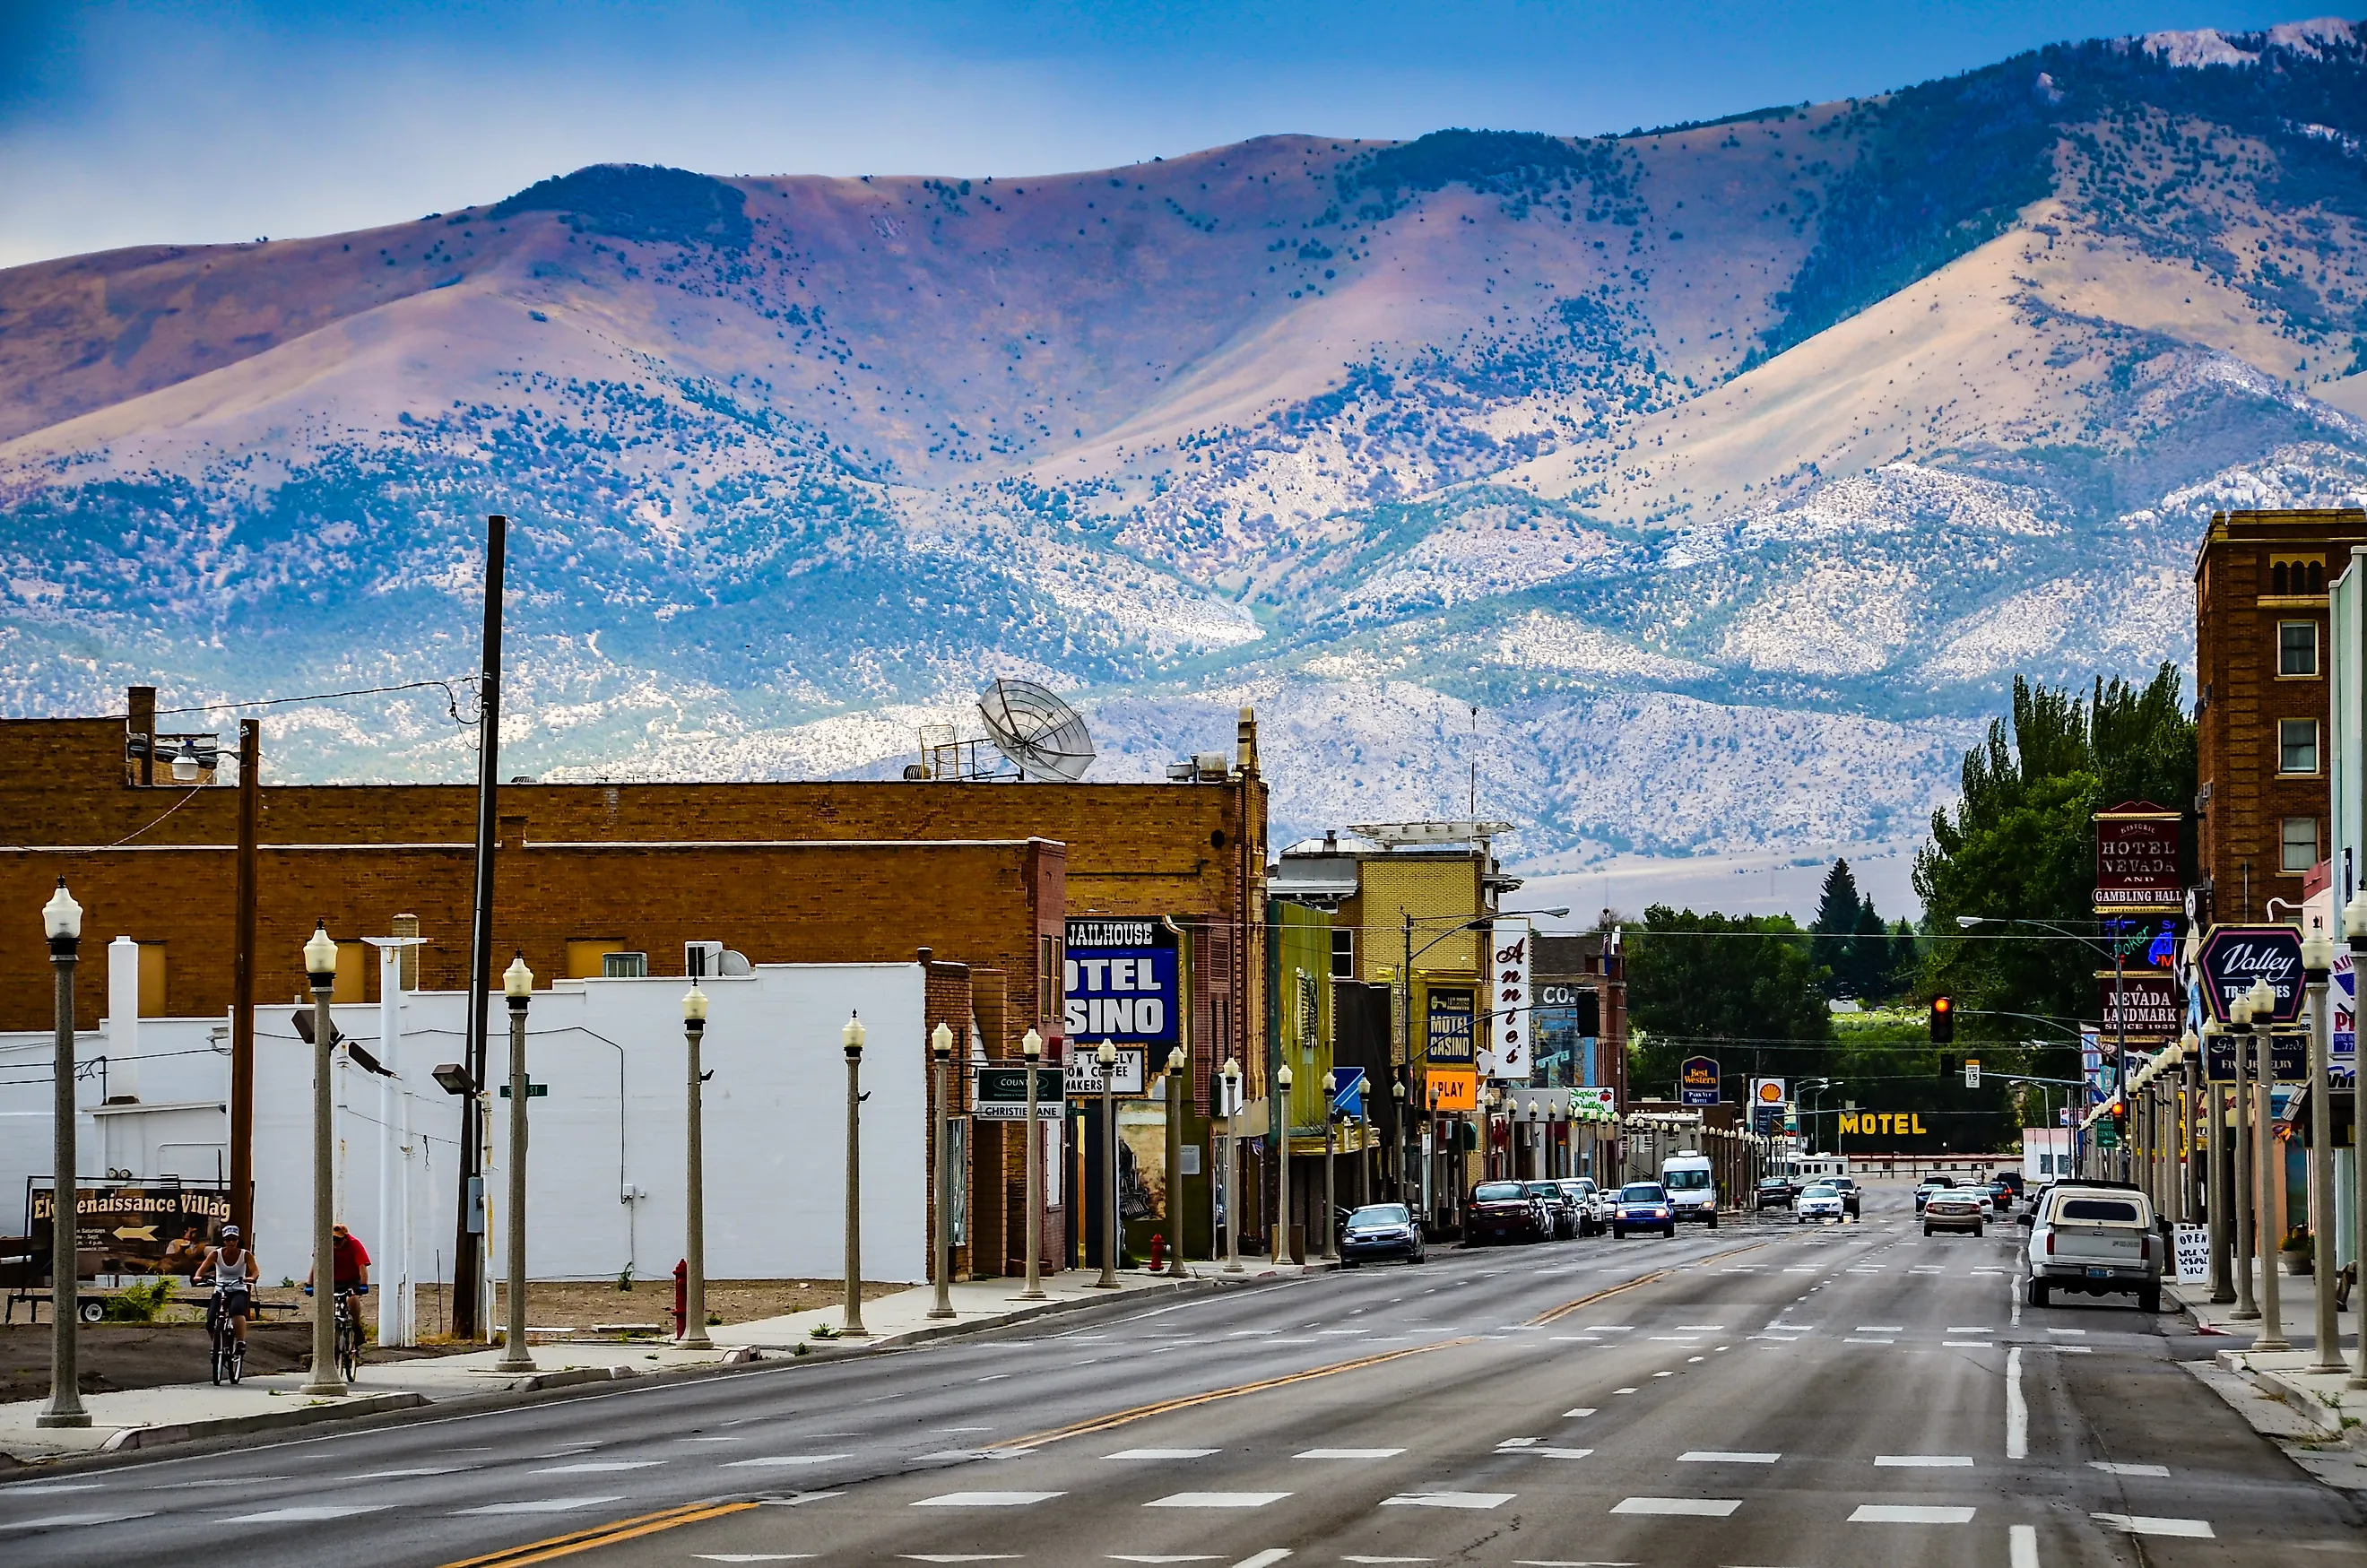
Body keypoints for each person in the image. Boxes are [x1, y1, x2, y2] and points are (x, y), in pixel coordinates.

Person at [192, 1225, 256, 1346]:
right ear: (224, 1241)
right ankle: (216, 1344)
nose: (231, 1242)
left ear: (238, 1240)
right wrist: (198, 1276)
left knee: (236, 1311)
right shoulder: (216, 1254)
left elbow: (255, 1271)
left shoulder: (245, 1254)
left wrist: (251, 1278)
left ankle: (240, 1342)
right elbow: (202, 1268)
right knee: (211, 1320)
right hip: (221, 1288)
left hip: (238, 1288)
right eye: (228, 1239)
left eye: (234, 1239)